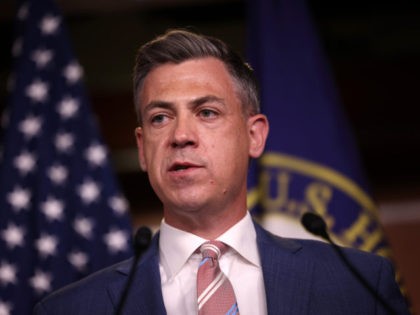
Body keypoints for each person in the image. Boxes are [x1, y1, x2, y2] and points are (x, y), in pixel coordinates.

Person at [34, 29, 410, 315]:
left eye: (207, 113)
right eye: (160, 118)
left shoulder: (357, 284)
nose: (181, 136)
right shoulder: (72, 309)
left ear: (254, 135)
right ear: (141, 147)